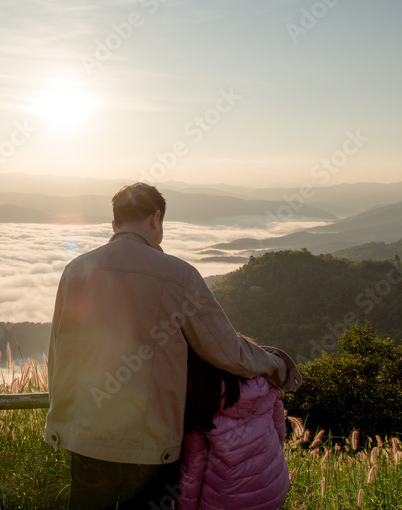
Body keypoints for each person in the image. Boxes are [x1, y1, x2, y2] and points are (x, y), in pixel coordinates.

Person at [44, 182, 301, 510]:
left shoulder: (75, 271)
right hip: (152, 449)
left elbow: (60, 356)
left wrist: (63, 427)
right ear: (156, 218)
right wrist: (277, 364)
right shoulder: (180, 277)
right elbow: (227, 351)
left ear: (114, 225)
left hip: (87, 441)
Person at [178, 351, 290, 510]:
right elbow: (279, 433)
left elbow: (192, 471)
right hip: (273, 489)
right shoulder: (265, 385)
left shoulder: (201, 410)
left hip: (226, 502)